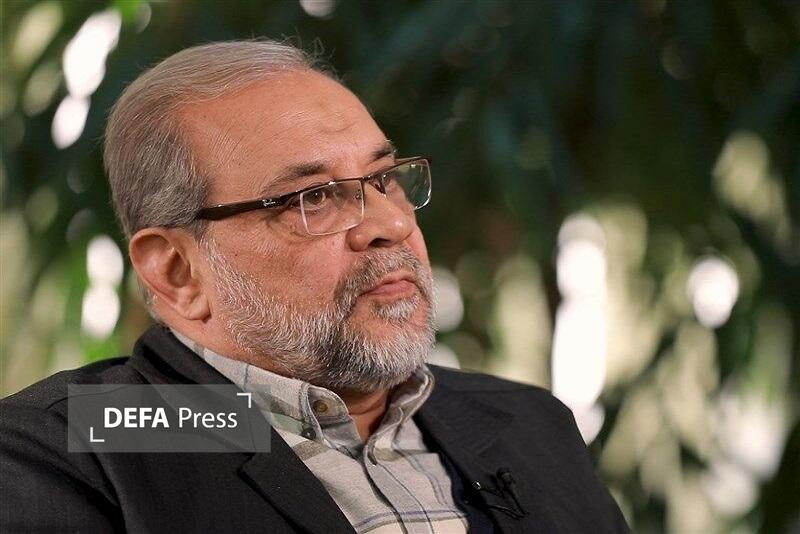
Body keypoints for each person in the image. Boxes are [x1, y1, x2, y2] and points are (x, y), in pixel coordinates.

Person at [0, 40, 628, 533]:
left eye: (384, 179)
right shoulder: (65, 450)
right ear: (177, 271)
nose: (391, 226)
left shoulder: (528, 422)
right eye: (315, 197)